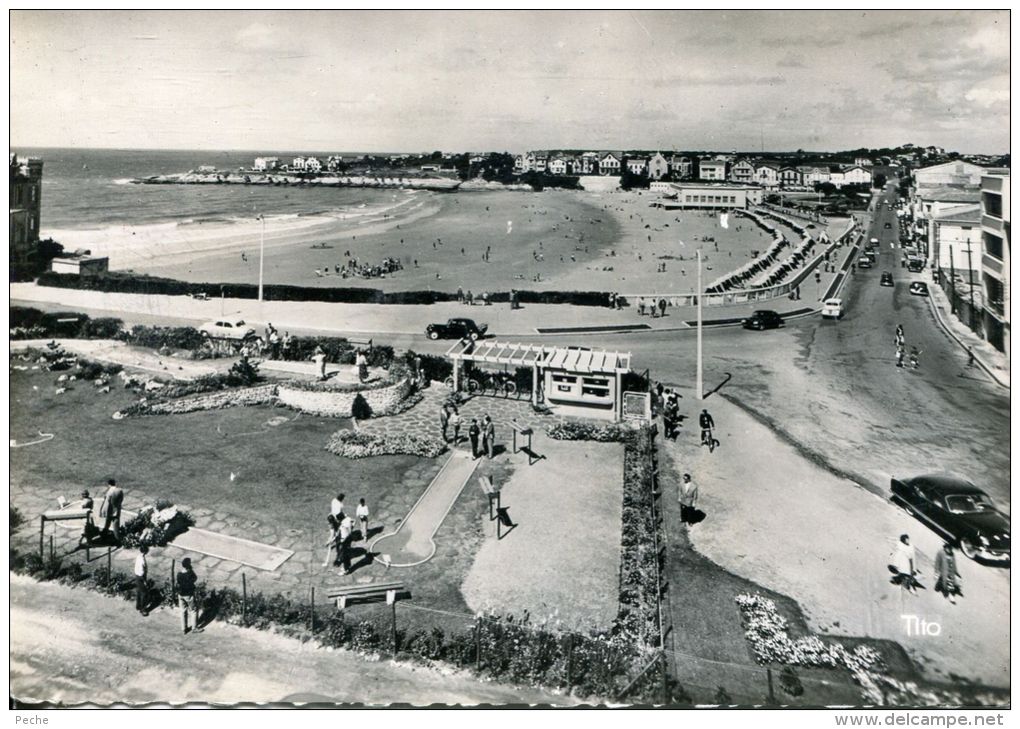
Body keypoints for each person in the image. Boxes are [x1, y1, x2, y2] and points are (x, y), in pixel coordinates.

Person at [176, 557, 200, 634]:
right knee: (193, 610)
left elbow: (178, 582)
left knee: (183, 611)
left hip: (181, 594)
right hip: (188, 595)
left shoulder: (179, 574)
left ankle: (184, 629)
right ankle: (194, 628)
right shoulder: (190, 574)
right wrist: (191, 569)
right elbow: (195, 578)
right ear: (189, 565)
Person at [134, 545, 149, 615]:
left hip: (137, 576)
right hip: (141, 577)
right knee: (144, 593)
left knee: (139, 591)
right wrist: (145, 581)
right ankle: (143, 609)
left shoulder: (138, 557)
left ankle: (138, 606)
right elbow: (142, 572)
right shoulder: (142, 560)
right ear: (145, 551)